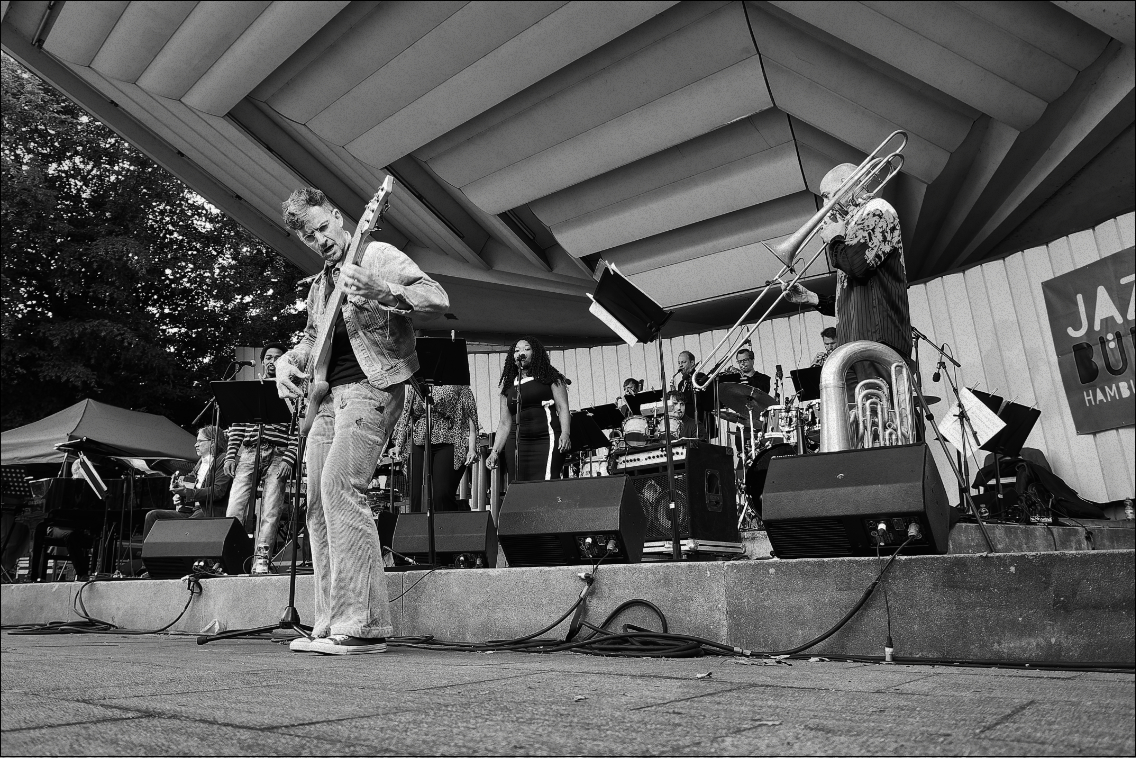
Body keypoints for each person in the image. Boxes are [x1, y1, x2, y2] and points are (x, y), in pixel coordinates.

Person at [274, 186, 449, 655]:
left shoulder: (375, 253)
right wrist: (286, 363)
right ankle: (330, 621)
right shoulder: (318, 286)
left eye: (323, 225)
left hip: (373, 388)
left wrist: (383, 290)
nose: (321, 238)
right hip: (326, 400)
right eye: (310, 236)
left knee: (340, 488)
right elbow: (313, 340)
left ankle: (365, 623)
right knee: (315, 504)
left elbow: (438, 299)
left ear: (336, 214)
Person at [223, 345, 300, 575]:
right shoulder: (252, 389)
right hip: (248, 451)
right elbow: (238, 423)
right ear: (263, 361)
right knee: (235, 505)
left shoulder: (292, 390)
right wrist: (230, 454)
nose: (272, 361)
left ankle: (261, 559)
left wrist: (290, 457)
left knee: (271, 509)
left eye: (277, 358)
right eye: (268, 357)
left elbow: (298, 428)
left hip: (278, 453)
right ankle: (229, 555)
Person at [485, 337, 572, 482]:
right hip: (517, 443)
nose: (521, 353)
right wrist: (494, 452)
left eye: (527, 349)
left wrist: (565, 433)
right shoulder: (508, 386)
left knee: (547, 482)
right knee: (520, 487)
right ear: (513, 356)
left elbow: (563, 408)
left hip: (547, 437)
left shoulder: (551, 378)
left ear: (535, 353)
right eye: (517, 350)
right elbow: (504, 423)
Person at [393, 382, 480, 512]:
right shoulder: (418, 383)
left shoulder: (457, 382)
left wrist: (472, 447)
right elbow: (407, 413)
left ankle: (448, 526)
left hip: (449, 438)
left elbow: (470, 414)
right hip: (420, 439)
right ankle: (420, 530)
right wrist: (398, 444)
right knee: (416, 494)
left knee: (441, 494)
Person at [142, 426, 231, 538]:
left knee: (183, 529)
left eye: (199, 441)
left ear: (212, 442)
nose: (196, 445)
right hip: (192, 510)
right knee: (153, 516)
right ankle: (149, 555)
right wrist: (179, 493)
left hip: (208, 511)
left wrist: (186, 492)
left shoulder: (223, 460)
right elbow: (189, 482)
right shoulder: (201, 462)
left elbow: (218, 491)